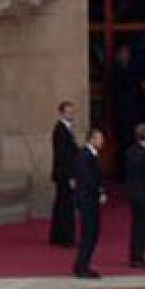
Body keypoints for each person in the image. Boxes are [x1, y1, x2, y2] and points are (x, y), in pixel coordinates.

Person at [108, 42, 145, 182]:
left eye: (128, 53)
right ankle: (121, 173)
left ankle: (136, 173)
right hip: (121, 115)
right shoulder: (114, 72)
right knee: (123, 146)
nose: (126, 56)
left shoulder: (134, 70)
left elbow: (139, 93)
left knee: (135, 145)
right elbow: (111, 95)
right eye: (123, 53)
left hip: (135, 115)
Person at [72, 127, 105, 279]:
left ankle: (83, 264)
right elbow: (87, 179)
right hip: (87, 201)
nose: (102, 141)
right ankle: (81, 266)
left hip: (91, 200)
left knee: (92, 233)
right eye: (99, 138)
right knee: (88, 234)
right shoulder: (84, 155)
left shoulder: (92, 155)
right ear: (91, 139)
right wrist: (99, 192)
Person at [126, 122, 145, 268]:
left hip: (134, 193)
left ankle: (135, 255)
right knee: (141, 227)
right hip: (143, 194)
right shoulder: (144, 153)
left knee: (137, 225)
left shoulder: (130, 151)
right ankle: (138, 257)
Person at [49, 100, 78, 247]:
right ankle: (66, 237)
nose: (71, 114)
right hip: (64, 175)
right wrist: (71, 176)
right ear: (61, 113)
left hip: (63, 174)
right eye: (68, 112)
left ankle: (58, 235)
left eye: (72, 112)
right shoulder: (60, 130)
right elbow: (64, 156)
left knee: (61, 204)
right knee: (66, 206)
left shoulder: (67, 129)